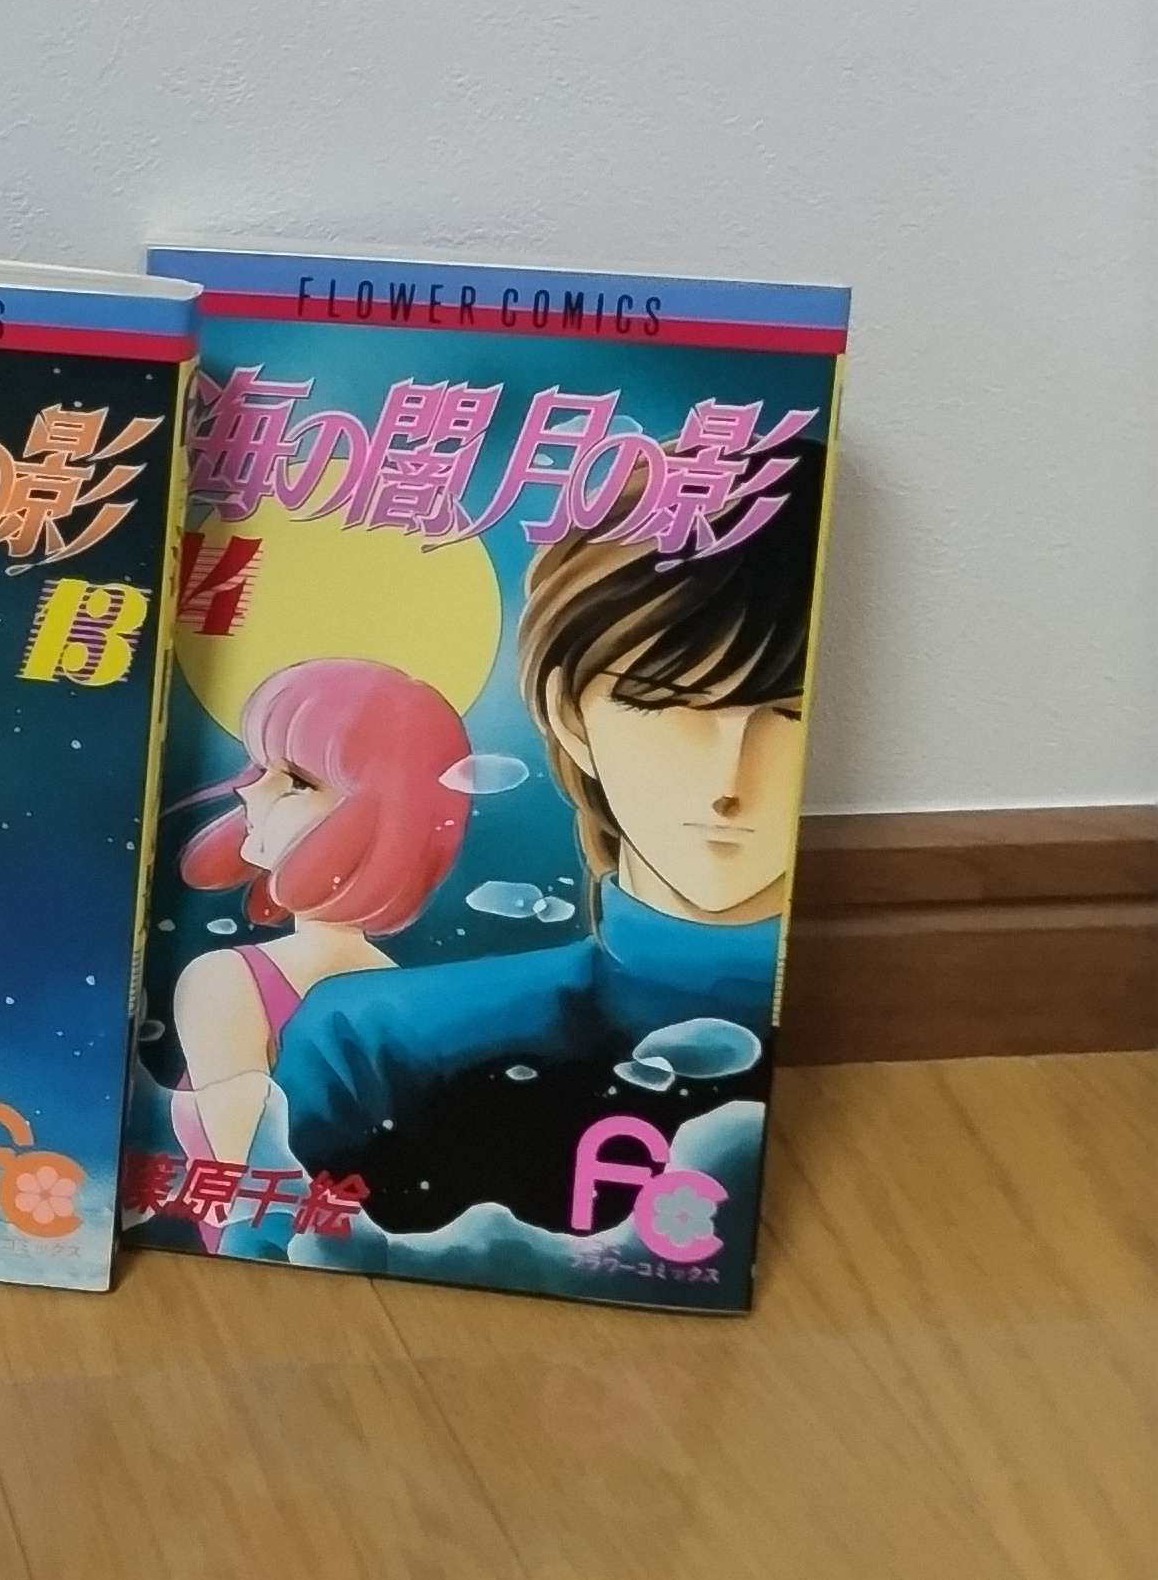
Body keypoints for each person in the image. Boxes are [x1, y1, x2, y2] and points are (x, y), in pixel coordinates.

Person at [272, 436, 825, 1222]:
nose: (728, 781)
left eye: (790, 713)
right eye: (661, 702)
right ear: (569, 714)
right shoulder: (376, 1043)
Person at [166, 659, 470, 1218]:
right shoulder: (411, 994)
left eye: (298, 782)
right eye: (261, 767)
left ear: (384, 817)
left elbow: (245, 1189)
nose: (249, 791)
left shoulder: (226, 979)